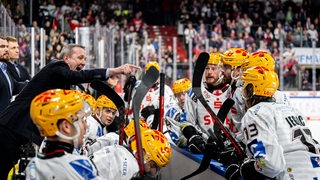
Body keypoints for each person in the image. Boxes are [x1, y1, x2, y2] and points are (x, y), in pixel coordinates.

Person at [0, 44, 140, 179]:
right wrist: (114, 71)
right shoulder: (57, 66)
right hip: (11, 126)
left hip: (21, 131)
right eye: (80, 58)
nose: (83, 63)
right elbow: (79, 76)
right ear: (66, 58)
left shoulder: (63, 81)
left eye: (85, 59)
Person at [225, 66, 320, 180]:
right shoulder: (294, 111)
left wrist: (249, 169)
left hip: (292, 174)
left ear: (251, 90)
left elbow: (271, 165)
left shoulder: (254, 114)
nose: (242, 92)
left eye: (244, 87)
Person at [25, 89, 102, 179]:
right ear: (66, 126)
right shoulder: (78, 165)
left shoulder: (32, 166)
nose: (86, 125)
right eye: (82, 120)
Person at [183, 52, 228, 154]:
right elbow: (187, 121)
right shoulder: (194, 92)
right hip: (205, 146)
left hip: (229, 146)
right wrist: (193, 136)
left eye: (213, 68)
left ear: (222, 70)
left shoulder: (232, 92)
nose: (209, 72)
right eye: (207, 68)